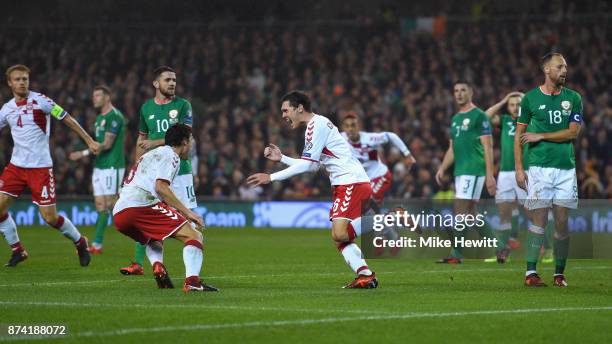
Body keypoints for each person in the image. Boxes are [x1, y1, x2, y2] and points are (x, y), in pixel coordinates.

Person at [247, 91, 377, 289]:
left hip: (351, 182)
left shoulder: (316, 126)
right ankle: (365, 275)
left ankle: (390, 218)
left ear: (299, 108)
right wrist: (282, 158)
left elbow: (307, 165)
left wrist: (271, 177)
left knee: (340, 234)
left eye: (285, 110)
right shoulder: (316, 125)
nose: (283, 115)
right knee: (339, 238)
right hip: (348, 183)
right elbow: (313, 165)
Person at [0, 64, 100, 267]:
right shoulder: (6, 109)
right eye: (18, 79)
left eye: (25, 79)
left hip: (40, 168)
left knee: (50, 218)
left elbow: (68, 119)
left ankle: (80, 242)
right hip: (16, 167)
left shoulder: (42, 101)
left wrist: (89, 140)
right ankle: (17, 250)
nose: (22, 82)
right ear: (10, 83)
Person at [113, 124, 217, 292]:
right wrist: (189, 213)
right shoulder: (172, 156)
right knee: (195, 236)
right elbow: (161, 187)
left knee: (152, 236)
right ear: (184, 142)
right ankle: (192, 282)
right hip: (140, 204)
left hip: (119, 213)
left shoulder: (150, 154)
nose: (190, 147)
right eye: (190, 142)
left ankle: (157, 265)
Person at [120, 66, 198, 275]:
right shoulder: (146, 108)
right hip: (153, 172)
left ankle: (192, 272)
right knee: (147, 215)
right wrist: (137, 166)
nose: (172, 83)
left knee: (191, 221)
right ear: (156, 84)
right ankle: (150, 265)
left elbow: (184, 135)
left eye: (174, 80)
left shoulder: (183, 105)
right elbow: (141, 138)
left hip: (180, 170)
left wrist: (154, 142)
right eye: (167, 80)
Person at [515, 52, 582, 287]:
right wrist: (519, 168)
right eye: (560, 66)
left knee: (562, 224)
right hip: (539, 169)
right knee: (539, 221)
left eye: (565, 66)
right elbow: (519, 136)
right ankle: (531, 273)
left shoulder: (574, 98)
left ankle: (559, 274)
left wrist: (541, 135)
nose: (564, 70)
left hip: (565, 169)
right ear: (546, 70)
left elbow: (573, 132)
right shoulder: (530, 99)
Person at [435, 81, 497, 264]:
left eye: (463, 90)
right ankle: (498, 249)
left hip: (474, 170)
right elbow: (452, 149)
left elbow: (488, 145)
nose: (459, 94)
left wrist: (489, 174)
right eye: (456, 91)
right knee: (471, 214)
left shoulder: (479, 116)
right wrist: (442, 168)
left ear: (471, 92)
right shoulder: (455, 119)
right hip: (461, 171)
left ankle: (456, 254)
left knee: (460, 210)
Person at [69, 85, 126, 254]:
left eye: (98, 95)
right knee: (101, 206)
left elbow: (107, 144)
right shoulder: (98, 118)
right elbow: (98, 144)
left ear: (107, 97)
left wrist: (83, 152)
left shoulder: (115, 117)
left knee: (112, 204)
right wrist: (89, 149)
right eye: (94, 96)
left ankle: (141, 228)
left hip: (112, 166)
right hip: (99, 166)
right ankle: (97, 245)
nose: (94, 98)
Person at [484, 91, 525, 263]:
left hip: (525, 171)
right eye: (512, 105)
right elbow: (485, 116)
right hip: (505, 174)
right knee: (503, 215)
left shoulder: (530, 121)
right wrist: (502, 101)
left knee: (533, 211)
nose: (515, 108)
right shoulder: (505, 121)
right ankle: (502, 251)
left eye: (518, 105)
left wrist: (526, 100)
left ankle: (548, 249)